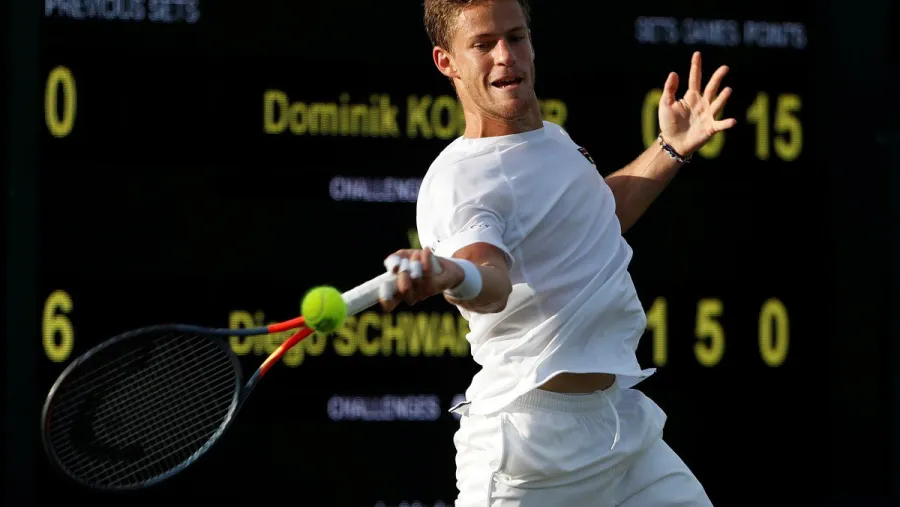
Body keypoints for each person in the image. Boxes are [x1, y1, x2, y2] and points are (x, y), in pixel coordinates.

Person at [378, 0, 736, 504]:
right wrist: (452, 275)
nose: (505, 55)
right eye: (482, 44)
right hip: (529, 451)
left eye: (516, 37)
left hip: (622, 433)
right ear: (447, 62)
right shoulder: (461, 181)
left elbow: (595, 215)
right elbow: (490, 277)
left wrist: (670, 148)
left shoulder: (552, 139)